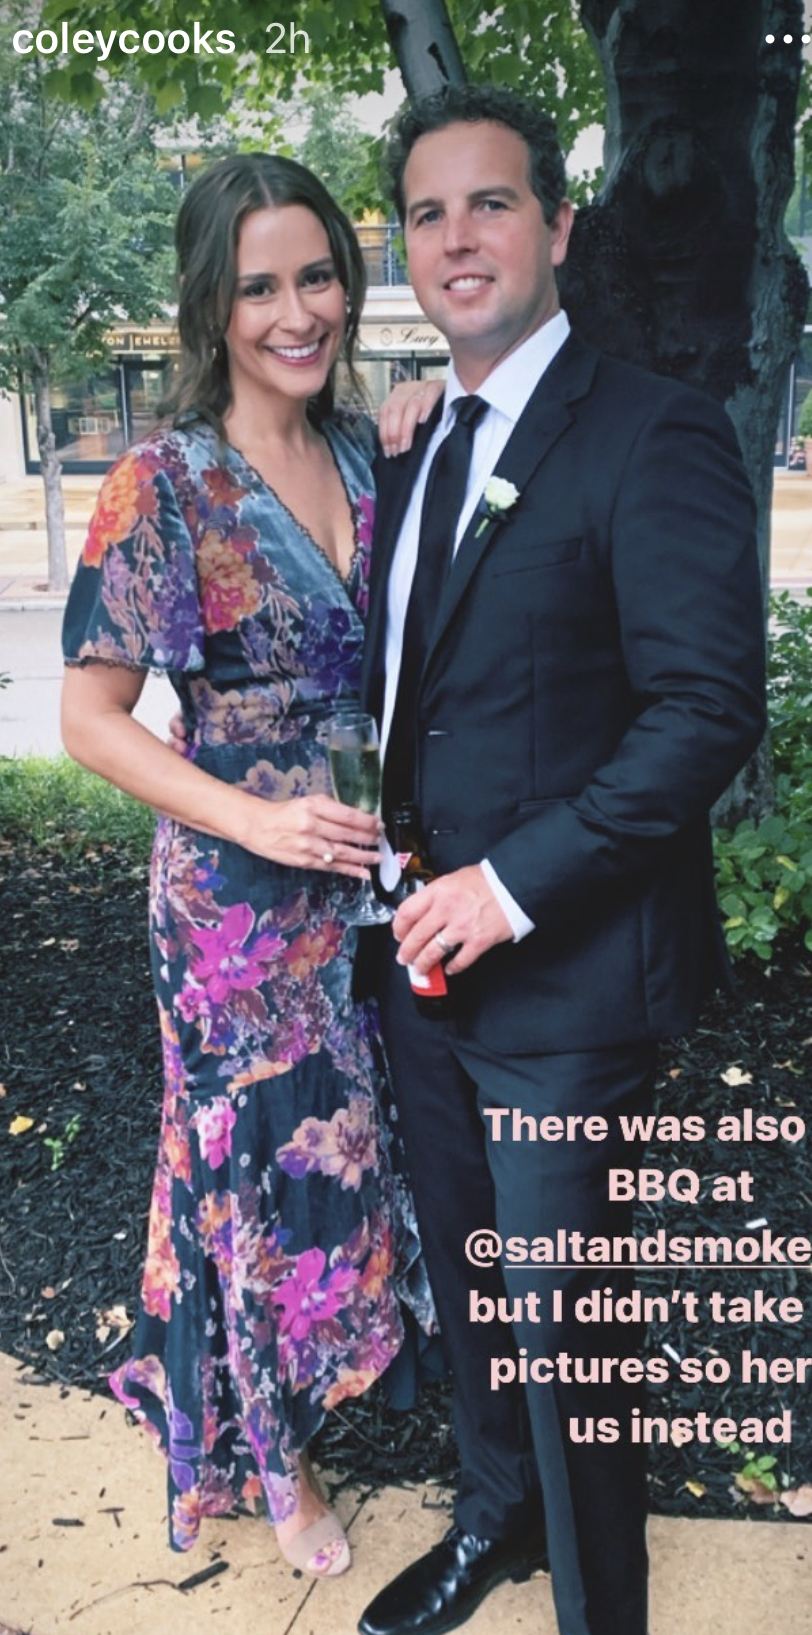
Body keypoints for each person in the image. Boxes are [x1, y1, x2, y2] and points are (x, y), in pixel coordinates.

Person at [355, 85, 767, 1635]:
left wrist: (511, 885)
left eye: (492, 203)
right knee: (477, 1300)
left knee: (567, 1330)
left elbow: (705, 709)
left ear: (559, 226)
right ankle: (495, 1522)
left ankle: (601, 1607)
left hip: (570, 988)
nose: (458, 238)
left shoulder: (654, 431)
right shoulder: (418, 445)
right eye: (429, 213)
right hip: (416, 966)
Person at [60, 152, 437, 1574]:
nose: (298, 313)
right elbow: (89, 720)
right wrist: (254, 820)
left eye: (319, 277)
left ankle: (335, 1369)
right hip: (234, 905)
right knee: (250, 1168)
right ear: (210, 304)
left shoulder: (371, 454)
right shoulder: (162, 484)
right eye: (260, 287)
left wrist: (427, 416)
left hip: (367, 877)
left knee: (355, 1140)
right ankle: (277, 1460)